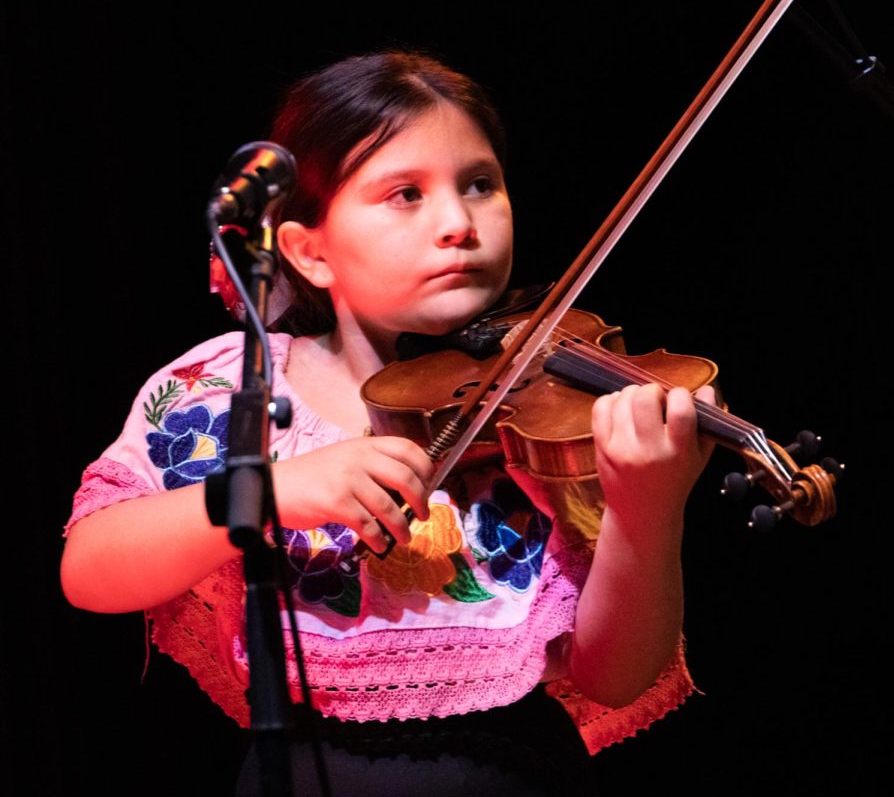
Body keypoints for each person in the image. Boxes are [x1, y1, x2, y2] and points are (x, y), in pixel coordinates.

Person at [60, 50, 715, 795]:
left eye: (480, 185)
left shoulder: (546, 412)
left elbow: (614, 675)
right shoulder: (232, 384)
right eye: (406, 193)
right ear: (310, 253)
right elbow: (91, 569)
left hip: (518, 773)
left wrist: (647, 510)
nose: (457, 223)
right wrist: (269, 489)